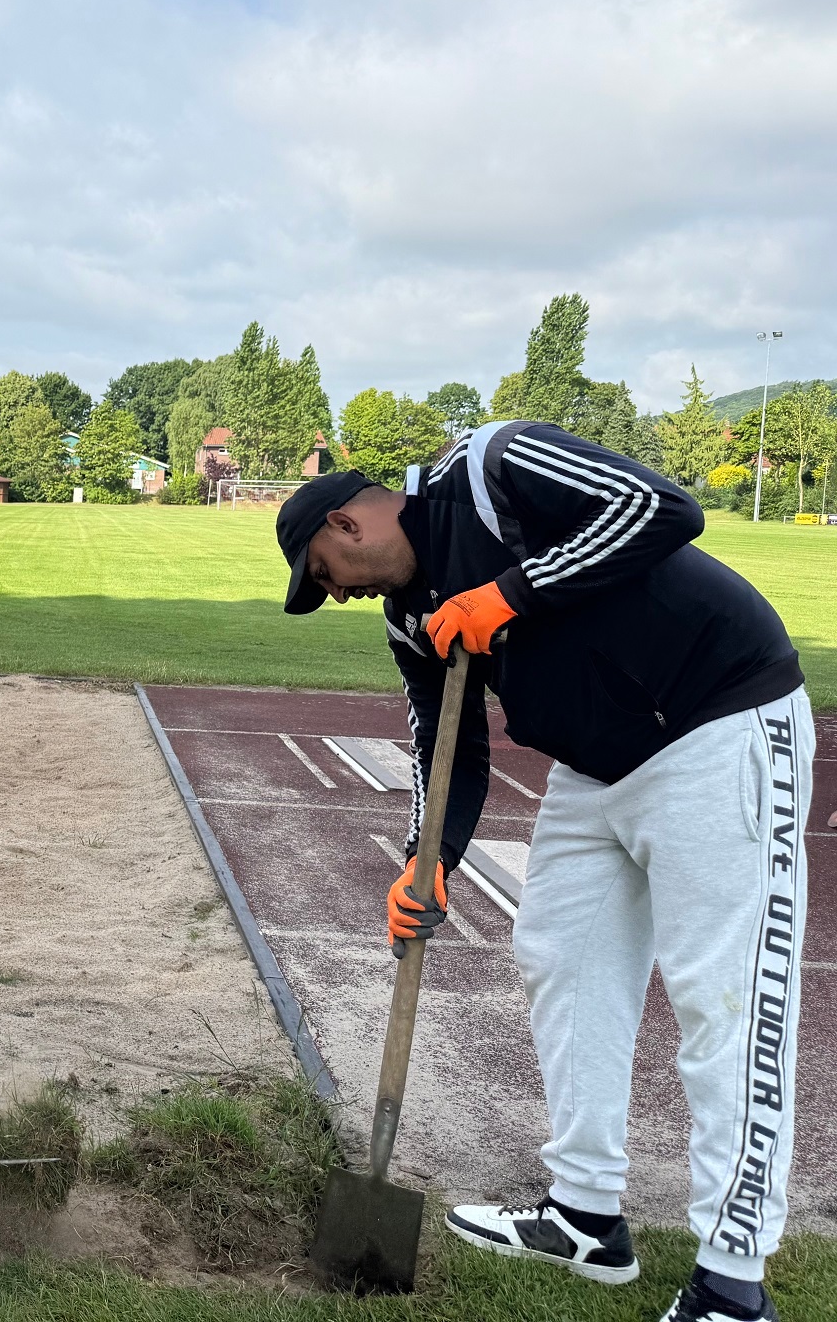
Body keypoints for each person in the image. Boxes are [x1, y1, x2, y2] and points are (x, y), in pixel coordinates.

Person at [275, 421, 812, 1322]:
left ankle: (732, 1280)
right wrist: (429, 862)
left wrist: (509, 595)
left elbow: (661, 508)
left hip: (717, 724)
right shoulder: (409, 616)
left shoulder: (492, 467)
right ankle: (585, 1216)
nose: (332, 595)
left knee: (727, 997)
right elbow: (446, 746)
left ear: (347, 526)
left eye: (323, 575)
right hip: (592, 766)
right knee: (561, 956)